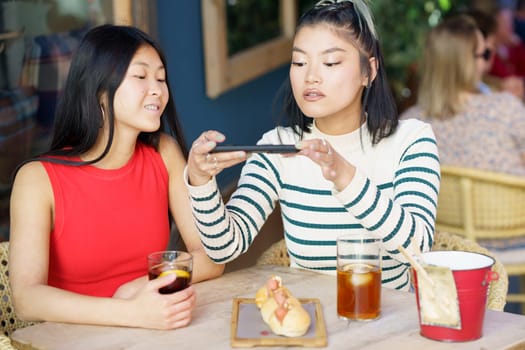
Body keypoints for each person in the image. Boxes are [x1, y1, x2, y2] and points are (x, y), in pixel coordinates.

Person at [185, 0, 440, 291]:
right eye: (299, 62)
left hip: (385, 324)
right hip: (311, 325)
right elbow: (225, 248)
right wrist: (201, 181)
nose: (311, 76)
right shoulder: (278, 147)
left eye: (330, 62)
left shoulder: (410, 140)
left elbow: (417, 249)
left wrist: (346, 178)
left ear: (368, 71)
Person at [9, 24, 224, 330]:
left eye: (161, 78)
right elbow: (27, 299)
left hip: (155, 329)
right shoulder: (37, 179)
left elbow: (211, 257)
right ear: (98, 89)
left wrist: (134, 289)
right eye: (141, 76)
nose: (158, 90)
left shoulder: (163, 153)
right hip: (71, 338)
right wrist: (131, 312)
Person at [400, 14, 525, 176]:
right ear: (467, 63)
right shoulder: (506, 108)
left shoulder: (410, 123)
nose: (488, 61)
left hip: (443, 202)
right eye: (485, 54)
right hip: (508, 201)